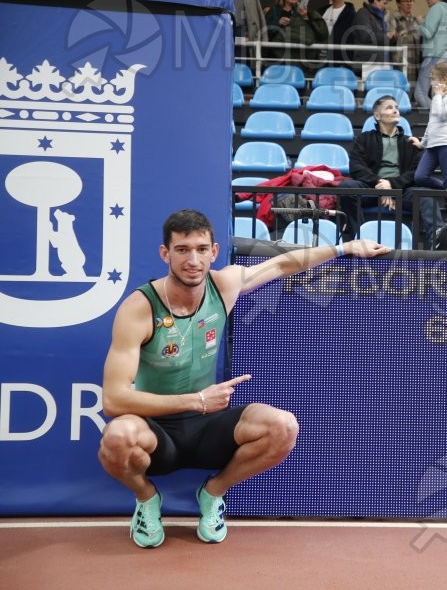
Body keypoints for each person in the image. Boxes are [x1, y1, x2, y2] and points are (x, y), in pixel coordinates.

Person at [98, 210, 389, 548]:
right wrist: (195, 400)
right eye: (182, 250)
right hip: (156, 429)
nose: (193, 259)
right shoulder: (140, 307)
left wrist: (344, 248)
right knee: (117, 438)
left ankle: (213, 493)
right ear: (166, 253)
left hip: (208, 425)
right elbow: (114, 399)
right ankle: (147, 499)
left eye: (201, 249)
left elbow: (283, 265)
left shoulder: (224, 285)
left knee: (283, 427)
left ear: (214, 252)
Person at [338, 95, 447, 249]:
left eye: (396, 107)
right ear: (377, 115)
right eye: (389, 107)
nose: (395, 110)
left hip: (402, 191)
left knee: (425, 194)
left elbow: (415, 172)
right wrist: (380, 183)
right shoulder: (364, 138)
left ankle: (437, 237)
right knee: (347, 187)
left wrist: (392, 186)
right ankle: (359, 239)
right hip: (371, 188)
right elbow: (356, 166)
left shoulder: (411, 142)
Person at [411, 61, 447, 225]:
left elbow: (442, 115)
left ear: (444, 79)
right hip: (433, 144)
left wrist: (438, 96)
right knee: (420, 176)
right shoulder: (438, 98)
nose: (432, 82)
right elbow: (432, 122)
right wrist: (423, 143)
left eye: (434, 79)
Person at [264, 0, 328, 67]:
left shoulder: (303, 11)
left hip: (299, 55)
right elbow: (266, 32)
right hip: (278, 55)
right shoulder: (274, 11)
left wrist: (305, 17)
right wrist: (278, 23)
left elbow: (311, 32)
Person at [414, 0, 447, 109]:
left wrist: (420, 21)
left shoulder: (436, 8)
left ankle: (437, 118)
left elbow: (427, 32)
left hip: (434, 56)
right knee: (441, 96)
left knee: (420, 94)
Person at [350, 0, 395, 76]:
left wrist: (393, 39)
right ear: (375, 0)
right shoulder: (363, 13)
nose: (385, 7)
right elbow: (366, 36)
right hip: (367, 65)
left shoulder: (380, 17)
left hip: (379, 64)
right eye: (384, 3)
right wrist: (387, 36)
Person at [389, 0, 421, 85]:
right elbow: (393, 36)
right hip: (400, 63)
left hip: (416, 63)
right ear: (398, 4)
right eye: (406, 1)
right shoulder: (393, 18)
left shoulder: (415, 19)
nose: (409, 3)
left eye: (411, 1)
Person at [321, 0, 357, 67]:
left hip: (338, 62)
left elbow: (351, 40)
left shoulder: (351, 15)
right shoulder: (321, 11)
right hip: (319, 59)